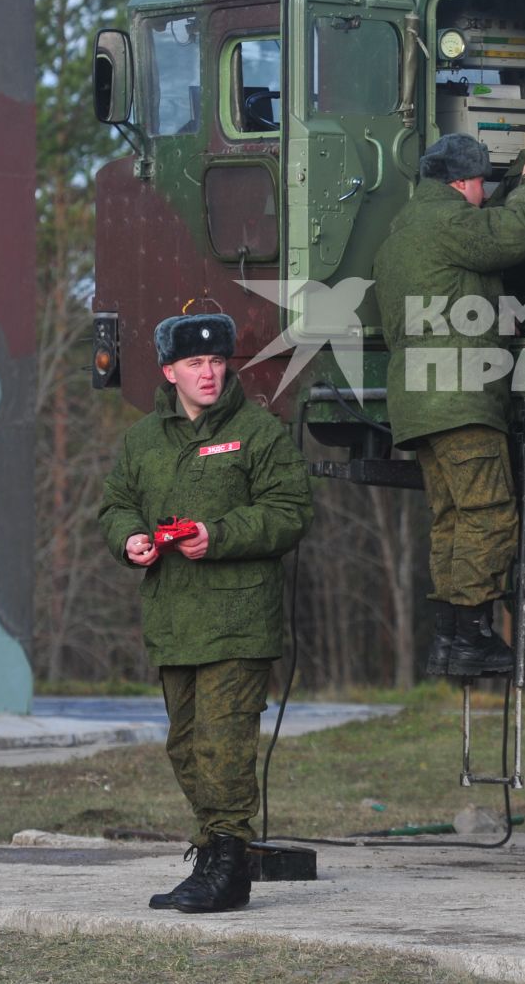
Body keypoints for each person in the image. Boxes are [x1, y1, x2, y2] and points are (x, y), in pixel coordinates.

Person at [99, 311, 312, 915]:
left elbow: (292, 510)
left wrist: (219, 534)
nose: (210, 373)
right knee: (186, 746)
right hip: (173, 620)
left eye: (218, 361)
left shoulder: (256, 431)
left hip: (238, 620)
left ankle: (228, 865)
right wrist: (130, 539)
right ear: (169, 372)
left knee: (223, 746)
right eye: (195, 364)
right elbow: (115, 503)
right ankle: (215, 855)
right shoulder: (143, 440)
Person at [373, 133, 525, 678]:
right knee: (488, 514)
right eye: (481, 184)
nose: (482, 192)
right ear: (462, 183)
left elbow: (471, 255)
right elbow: (511, 236)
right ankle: (473, 637)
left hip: (420, 405)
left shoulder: (405, 229)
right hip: (458, 398)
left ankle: (449, 640)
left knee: (450, 519)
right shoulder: (448, 223)